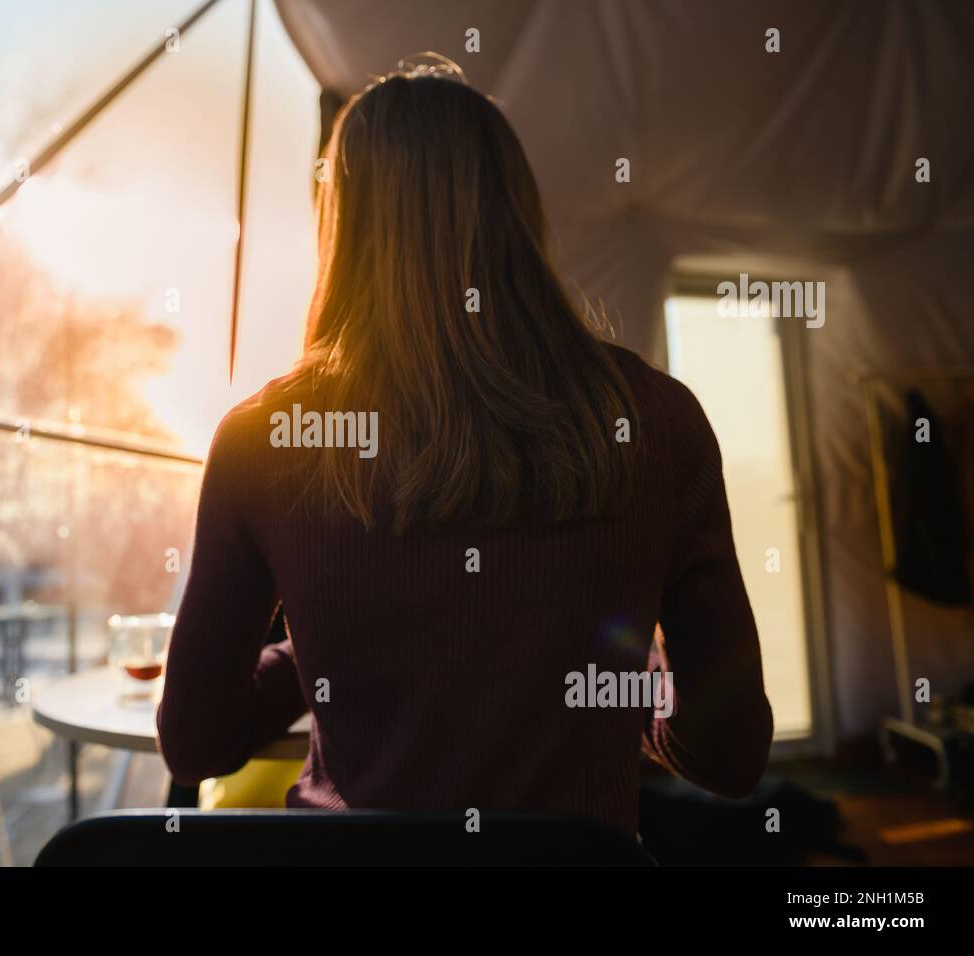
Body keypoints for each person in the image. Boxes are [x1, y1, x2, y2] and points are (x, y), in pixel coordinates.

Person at [157, 56, 771, 834]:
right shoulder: (659, 420)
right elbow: (730, 752)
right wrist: (629, 684)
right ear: (519, 211)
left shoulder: (262, 439)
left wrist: (312, 664)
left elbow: (194, 745)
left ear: (342, 224)